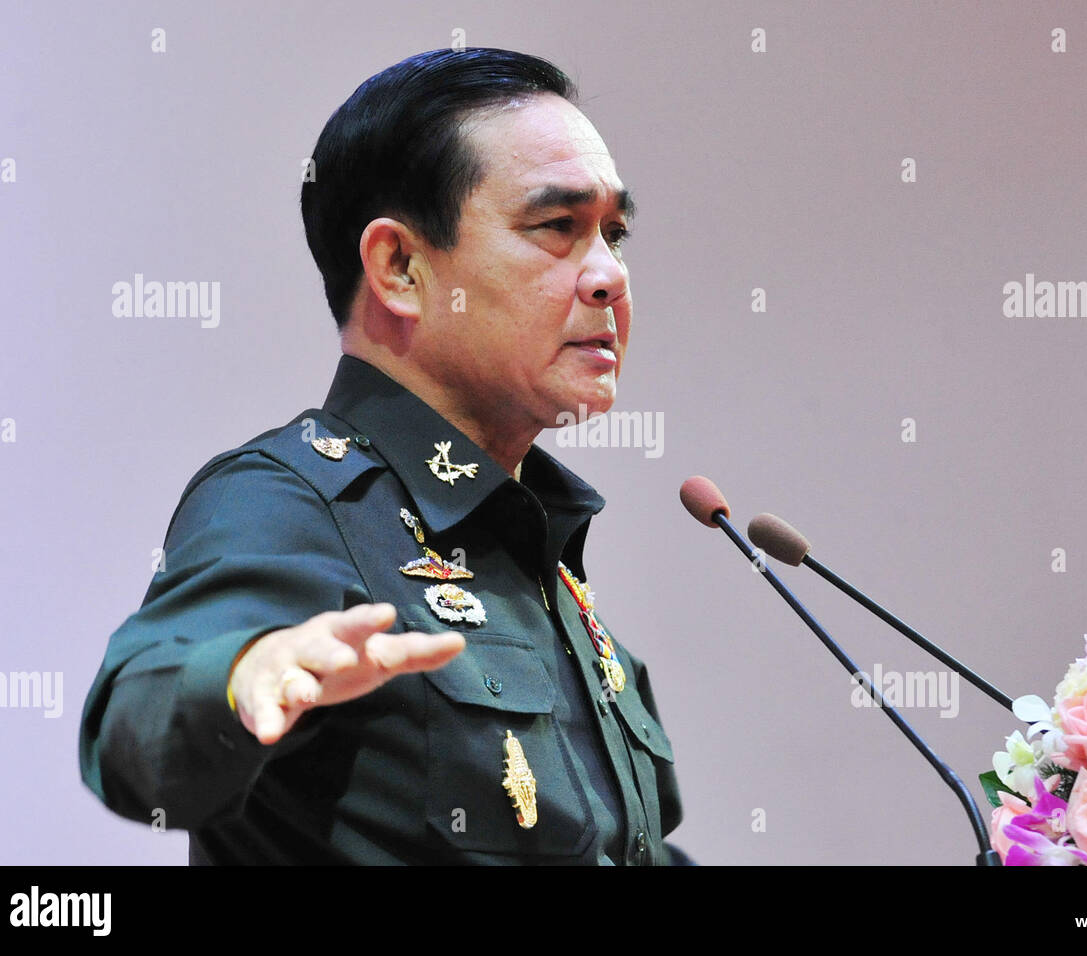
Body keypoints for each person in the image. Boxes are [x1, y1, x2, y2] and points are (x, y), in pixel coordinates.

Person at [78, 48, 687, 865]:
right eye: (557, 228)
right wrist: (245, 675)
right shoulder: (294, 501)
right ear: (400, 268)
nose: (610, 275)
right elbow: (141, 720)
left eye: (614, 234)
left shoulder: (539, 559)